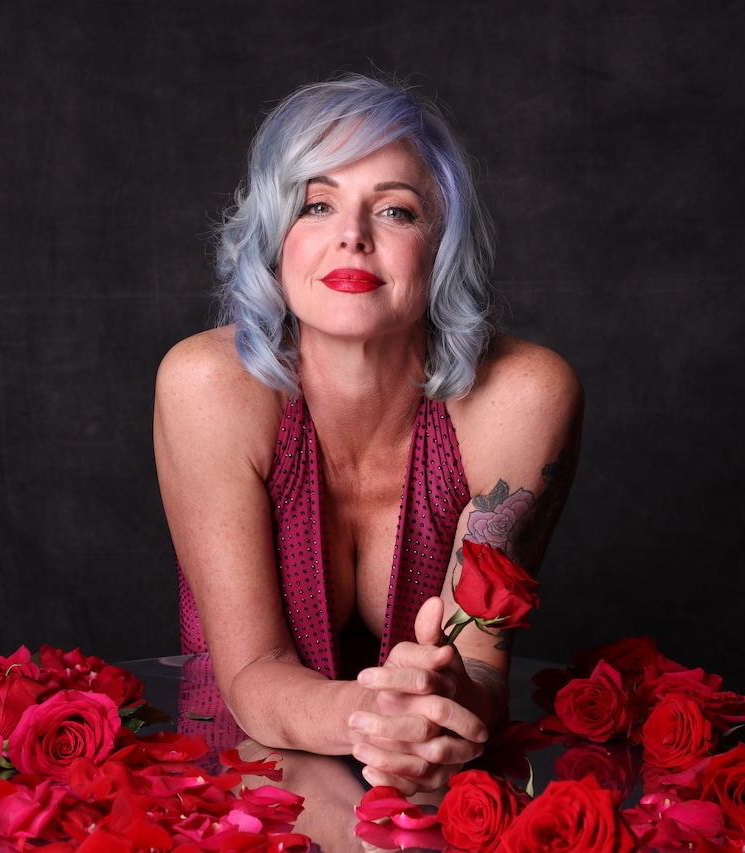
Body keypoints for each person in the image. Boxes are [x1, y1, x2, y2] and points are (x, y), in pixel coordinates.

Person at [154, 73, 582, 795]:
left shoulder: (523, 397)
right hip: (245, 779)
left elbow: (480, 663)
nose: (352, 234)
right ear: (273, 238)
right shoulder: (206, 387)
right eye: (316, 204)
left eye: (396, 211)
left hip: (435, 780)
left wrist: (442, 710)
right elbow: (251, 672)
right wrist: (377, 713)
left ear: (442, 246)